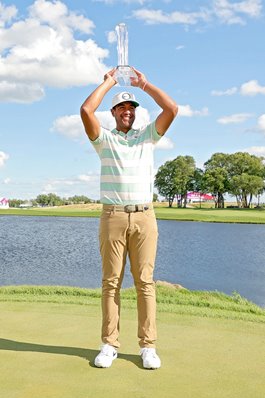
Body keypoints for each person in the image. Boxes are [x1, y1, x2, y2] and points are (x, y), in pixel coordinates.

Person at [80, 67, 178, 369]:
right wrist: (109, 82)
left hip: (145, 217)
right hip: (112, 217)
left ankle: (148, 346)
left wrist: (144, 84)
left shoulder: (148, 136)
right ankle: (109, 344)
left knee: (145, 282)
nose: (127, 111)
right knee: (111, 283)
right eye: (121, 106)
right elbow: (86, 109)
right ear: (113, 112)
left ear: (136, 113)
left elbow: (171, 108)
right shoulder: (103, 139)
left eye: (131, 107)